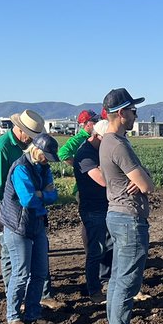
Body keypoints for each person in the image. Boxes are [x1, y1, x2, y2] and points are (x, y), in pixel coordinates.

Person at [0, 109, 64, 310]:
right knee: (13, 261)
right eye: (33, 136)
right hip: (9, 211)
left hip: (30, 214)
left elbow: (50, 193)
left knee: (34, 263)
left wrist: (39, 194)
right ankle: (15, 303)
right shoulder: (1, 148)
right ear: (20, 130)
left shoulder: (32, 157)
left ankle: (36, 299)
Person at [99, 87, 154, 324]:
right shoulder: (118, 145)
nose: (136, 115)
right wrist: (145, 179)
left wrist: (144, 178)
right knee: (127, 281)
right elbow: (146, 184)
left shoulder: (112, 142)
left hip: (119, 215)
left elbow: (144, 180)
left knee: (120, 278)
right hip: (129, 217)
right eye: (133, 110)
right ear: (121, 113)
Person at [0, 134, 60, 324]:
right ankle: (13, 315)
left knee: (40, 272)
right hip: (18, 226)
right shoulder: (21, 168)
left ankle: (33, 312)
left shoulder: (43, 167)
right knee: (21, 272)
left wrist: (41, 194)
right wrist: (43, 193)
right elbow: (27, 199)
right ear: (37, 150)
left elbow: (54, 195)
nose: (47, 160)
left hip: (36, 222)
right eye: (46, 156)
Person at [73, 120, 114, 297]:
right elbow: (103, 180)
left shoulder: (99, 152)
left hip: (105, 205)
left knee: (110, 247)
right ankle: (94, 289)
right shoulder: (85, 154)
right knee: (96, 250)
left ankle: (106, 281)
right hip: (93, 208)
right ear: (98, 136)